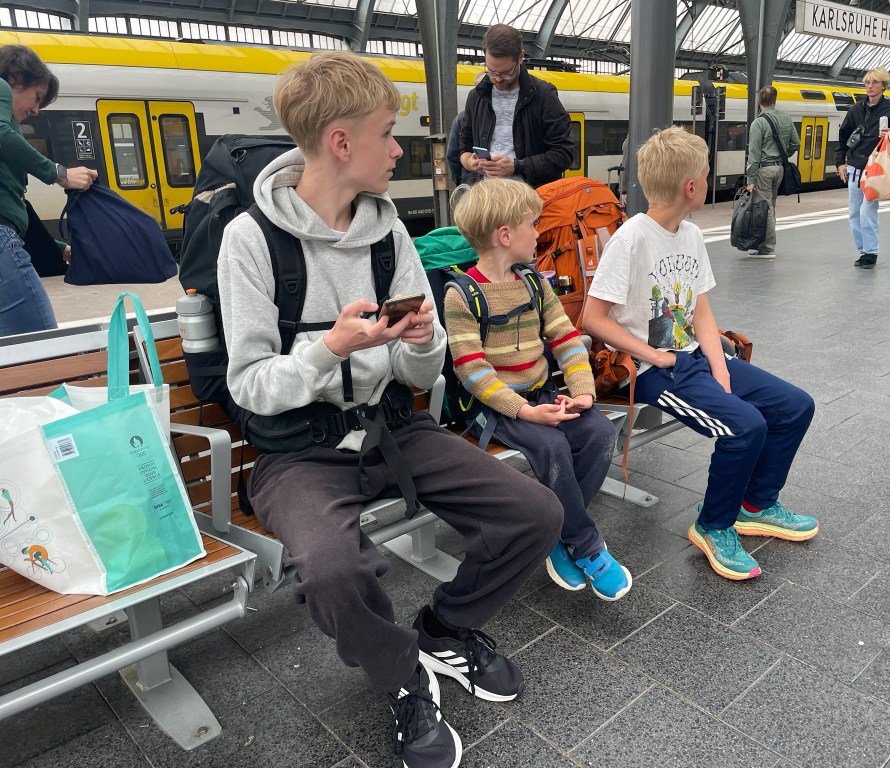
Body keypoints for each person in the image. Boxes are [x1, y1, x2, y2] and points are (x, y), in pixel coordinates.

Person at [217, 52, 562, 768]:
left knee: (535, 512)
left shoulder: (390, 233)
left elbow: (417, 372)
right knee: (332, 571)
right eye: (387, 133)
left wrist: (423, 343)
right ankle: (402, 675)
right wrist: (329, 350)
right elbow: (250, 385)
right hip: (298, 451)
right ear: (341, 142)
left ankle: (446, 629)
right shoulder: (248, 241)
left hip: (395, 426)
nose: (399, 149)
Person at [581, 126, 818, 582]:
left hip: (694, 357)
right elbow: (594, 318)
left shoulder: (689, 234)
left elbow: (701, 310)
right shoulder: (631, 240)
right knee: (745, 426)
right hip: (654, 370)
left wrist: (720, 368)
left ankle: (756, 504)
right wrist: (657, 356)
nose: (710, 181)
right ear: (691, 187)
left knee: (795, 406)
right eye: (707, 175)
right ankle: (713, 525)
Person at [436, 177, 630, 601]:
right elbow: (472, 372)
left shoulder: (533, 281)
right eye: (533, 224)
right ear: (505, 235)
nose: (539, 233)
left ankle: (556, 534)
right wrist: (524, 412)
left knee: (599, 432)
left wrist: (583, 391)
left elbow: (565, 337)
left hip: (541, 394)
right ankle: (587, 545)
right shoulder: (462, 294)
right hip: (494, 407)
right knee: (552, 446)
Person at [0, 45, 96, 336]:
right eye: (37, 97)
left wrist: (57, 248)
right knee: (40, 339)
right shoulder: (1, 87)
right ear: (15, 78)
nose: (36, 110)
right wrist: (60, 174)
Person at [458, 24, 573, 188]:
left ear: (520, 57)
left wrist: (517, 166)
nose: (498, 79)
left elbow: (564, 154)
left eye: (505, 73)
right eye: (491, 72)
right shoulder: (476, 96)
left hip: (532, 197)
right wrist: (470, 162)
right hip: (489, 195)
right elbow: (464, 146)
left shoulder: (544, 95)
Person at [834, 68, 890, 269]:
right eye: (867, 82)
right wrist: (840, 162)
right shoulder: (855, 110)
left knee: (867, 210)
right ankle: (863, 250)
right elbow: (843, 138)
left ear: (884, 85)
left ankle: (870, 252)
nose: (870, 86)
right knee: (854, 213)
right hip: (855, 168)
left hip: (876, 169)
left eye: (874, 82)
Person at [744, 85, 799, 259]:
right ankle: (765, 244)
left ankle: (767, 248)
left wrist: (750, 178)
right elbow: (796, 143)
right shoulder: (786, 118)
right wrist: (784, 155)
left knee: (765, 208)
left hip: (764, 171)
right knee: (770, 207)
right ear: (775, 100)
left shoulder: (758, 123)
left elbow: (754, 153)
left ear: (759, 101)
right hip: (779, 169)